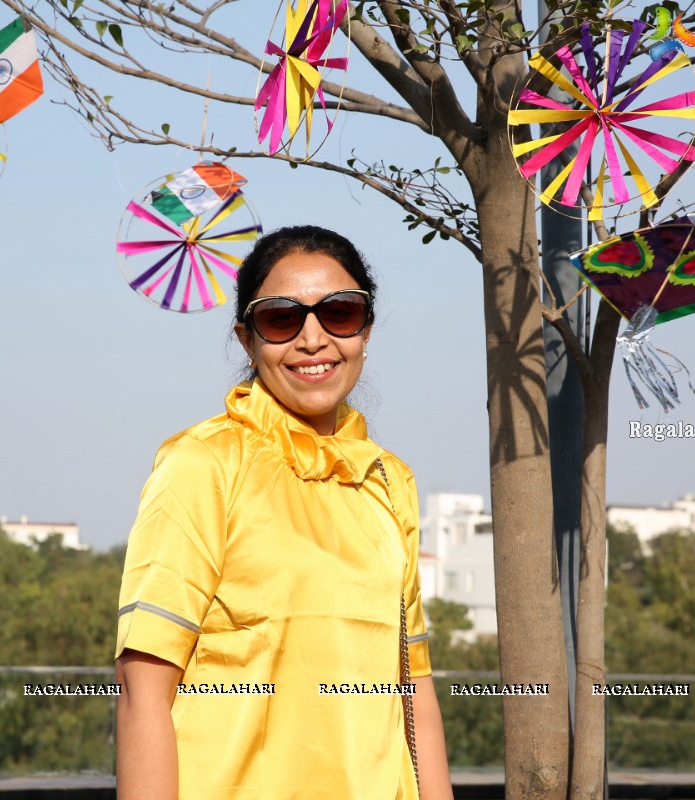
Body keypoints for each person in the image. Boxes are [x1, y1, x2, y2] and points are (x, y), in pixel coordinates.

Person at [114, 225, 453, 800]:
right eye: (281, 319)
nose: (313, 339)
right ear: (248, 340)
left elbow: (412, 683)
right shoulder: (202, 464)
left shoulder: (390, 480)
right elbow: (142, 686)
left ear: (366, 330)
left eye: (340, 313)